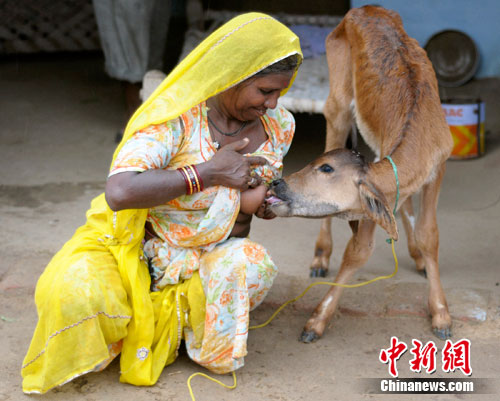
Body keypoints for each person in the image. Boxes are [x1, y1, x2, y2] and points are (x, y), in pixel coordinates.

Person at [21, 13, 302, 394]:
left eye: (279, 94)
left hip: (205, 258)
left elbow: (241, 215)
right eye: (264, 91)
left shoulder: (278, 127)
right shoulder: (177, 117)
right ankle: (159, 319)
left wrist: (257, 205)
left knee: (248, 263)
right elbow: (120, 192)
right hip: (139, 252)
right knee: (75, 289)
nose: (272, 104)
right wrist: (206, 174)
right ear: (234, 75)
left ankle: (192, 334)